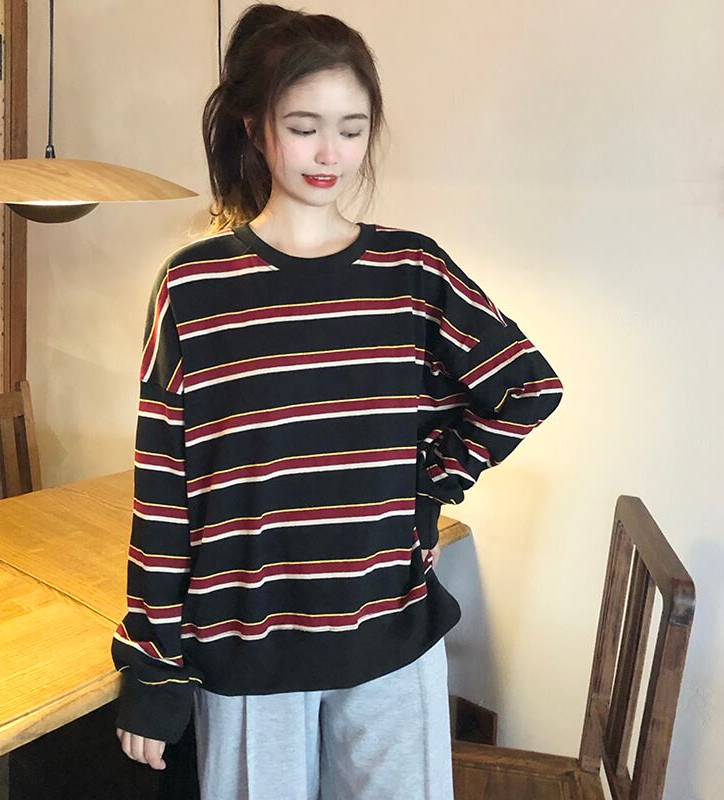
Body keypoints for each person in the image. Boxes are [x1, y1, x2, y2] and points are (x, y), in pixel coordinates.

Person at [111, 4, 564, 799]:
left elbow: (527, 386)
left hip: (391, 635)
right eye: (304, 127)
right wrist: (152, 667)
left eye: (352, 130)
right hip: (247, 644)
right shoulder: (194, 287)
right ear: (255, 129)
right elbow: (165, 490)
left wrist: (426, 487)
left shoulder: (414, 273)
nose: (330, 153)